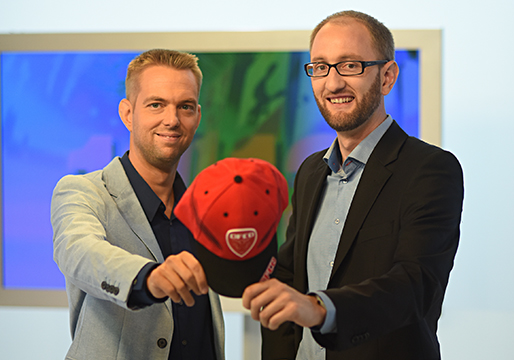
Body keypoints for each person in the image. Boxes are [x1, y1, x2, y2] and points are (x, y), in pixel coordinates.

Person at [242, 10, 464, 360]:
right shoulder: (311, 171)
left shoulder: (430, 169)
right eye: (320, 66)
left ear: (387, 77)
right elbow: (288, 276)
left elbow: (416, 284)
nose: (332, 83)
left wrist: (319, 308)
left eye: (350, 65)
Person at [51, 49, 224, 360]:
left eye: (184, 107)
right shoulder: (83, 191)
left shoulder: (206, 207)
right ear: (128, 113)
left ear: (197, 116)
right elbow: (79, 252)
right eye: (156, 104)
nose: (171, 120)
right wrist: (148, 278)